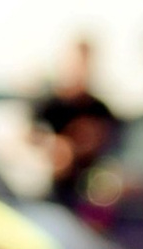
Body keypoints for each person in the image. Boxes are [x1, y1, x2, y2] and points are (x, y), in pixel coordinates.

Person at [28, 39, 114, 202]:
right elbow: (29, 140)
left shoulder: (99, 110)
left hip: (89, 193)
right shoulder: (47, 106)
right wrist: (55, 147)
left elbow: (112, 148)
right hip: (49, 191)